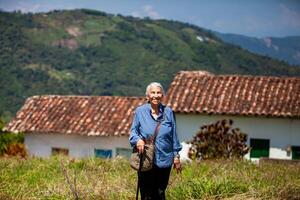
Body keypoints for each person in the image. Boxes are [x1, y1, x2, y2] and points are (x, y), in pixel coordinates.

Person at [129, 82, 182, 200]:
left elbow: (174, 135)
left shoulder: (168, 112)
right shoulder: (140, 111)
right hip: (146, 158)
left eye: (158, 93)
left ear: (162, 95)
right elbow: (133, 132)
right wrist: (138, 140)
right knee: (146, 194)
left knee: (160, 193)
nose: (155, 95)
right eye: (152, 92)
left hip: (164, 159)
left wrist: (176, 156)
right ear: (147, 95)